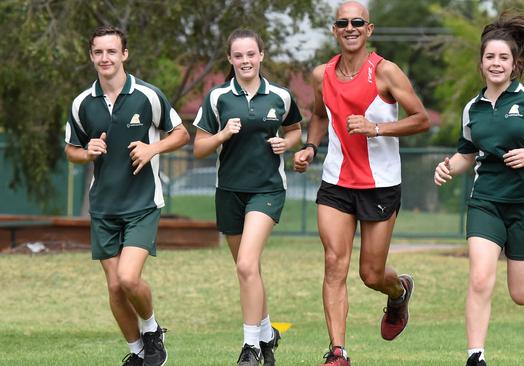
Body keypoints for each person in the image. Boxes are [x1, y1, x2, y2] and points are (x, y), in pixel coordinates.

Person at [293, 2, 430, 365]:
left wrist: (378, 128)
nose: (350, 27)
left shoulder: (386, 72)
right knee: (333, 263)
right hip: (336, 182)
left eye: (357, 22)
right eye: (343, 23)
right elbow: (320, 116)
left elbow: (421, 119)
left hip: (381, 184)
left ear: (368, 30)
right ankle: (338, 351)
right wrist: (310, 146)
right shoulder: (321, 74)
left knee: (370, 274)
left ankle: (399, 291)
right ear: (334, 30)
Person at [433, 12, 524, 366]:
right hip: (486, 202)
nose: (496, 63)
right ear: (481, 63)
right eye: (490, 57)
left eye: (504, 57)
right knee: (480, 278)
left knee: (522, 293)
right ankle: (475, 356)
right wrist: (448, 166)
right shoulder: (472, 109)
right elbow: (467, 153)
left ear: (514, 64)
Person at [64, 25, 189, 366]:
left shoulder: (148, 96)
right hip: (103, 206)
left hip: (142, 203)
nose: (105, 58)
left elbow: (181, 134)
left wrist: (153, 148)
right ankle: (138, 353)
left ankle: (152, 330)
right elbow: (71, 150)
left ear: (124, 54)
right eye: (99, 52)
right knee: (115, 288)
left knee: (128, 278)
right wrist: (86, 151)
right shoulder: (81, 103)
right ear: (92, 56)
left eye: (111, 51)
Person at [193, 29, 302, 366]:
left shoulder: (279, 96)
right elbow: (198, 148)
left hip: (267, 189)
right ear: (230, 59)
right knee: (247, 270)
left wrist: (288, 144)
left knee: (245, 264)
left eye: (251, 54)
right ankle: (267, 334)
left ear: (261, 56)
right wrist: (223, 133)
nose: (245, 61)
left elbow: (296, 130)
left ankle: (250, 346)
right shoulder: (218, 98)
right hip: (229, 192)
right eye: (238, 56)